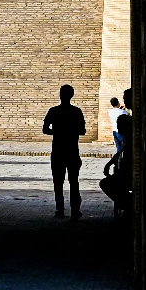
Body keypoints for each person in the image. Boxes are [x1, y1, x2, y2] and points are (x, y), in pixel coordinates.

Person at [42, 83, 87, 219]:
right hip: (72, 150)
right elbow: (82, 131)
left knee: (58, 182)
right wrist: (71, 131)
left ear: (60, 95)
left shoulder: (53, 111)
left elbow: (45, 129)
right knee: (74, 181)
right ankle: (75, 210)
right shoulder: (76, 112)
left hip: (58, 150)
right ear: (72, 95)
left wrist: (58, 131)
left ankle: (60, 209)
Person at [101, 87, 135, 221]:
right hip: (127, 169)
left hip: (133, 171)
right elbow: (123, 149)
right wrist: (110, 163)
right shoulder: (128, 119)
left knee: (108, 184)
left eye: (127, 99)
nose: (125, 102)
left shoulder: (135, 123)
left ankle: (130, 205)